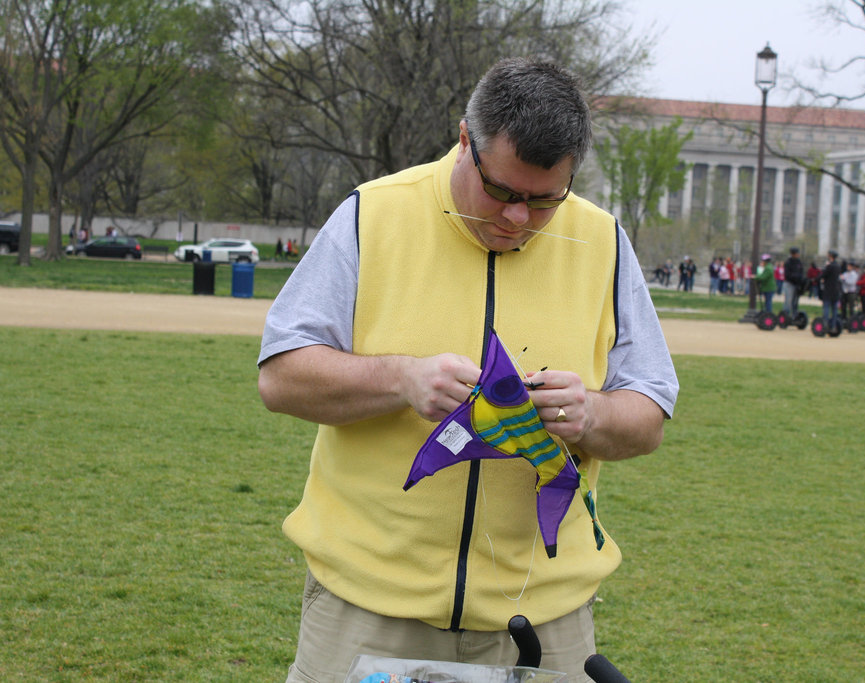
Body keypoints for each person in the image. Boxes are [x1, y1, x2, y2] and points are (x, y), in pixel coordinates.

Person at [257, 58, 679, 681]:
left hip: (546, 622)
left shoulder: (604, 241)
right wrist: (399, 378)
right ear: (464, 141)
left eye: (544, 201)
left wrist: (591, 413)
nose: (518, 219)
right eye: (503, 192)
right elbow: (281, 376)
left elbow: (647, 418)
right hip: (369, 611)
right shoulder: (370, 215)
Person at [820, 250, 842, 329]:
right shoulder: (838, 266)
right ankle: (833, 325)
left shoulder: (830, 266)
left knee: (826, 307)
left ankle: (825, 324)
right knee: (834, 309)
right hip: (836, 289)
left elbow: (823, 275)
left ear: (830, 256)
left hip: (828, 289)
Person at [782, 247, 805, 319]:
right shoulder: (788, 262)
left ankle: (794, 315)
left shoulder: (799, 262)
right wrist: (795, 277)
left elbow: (801, 271)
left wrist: (800, 279)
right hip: (789, 283)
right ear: (793, 254)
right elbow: (787, 275)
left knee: (795, 301)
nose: (798, 254)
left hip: (796, 284)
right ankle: (786, 314)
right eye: (797, 253)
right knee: (788, 300)